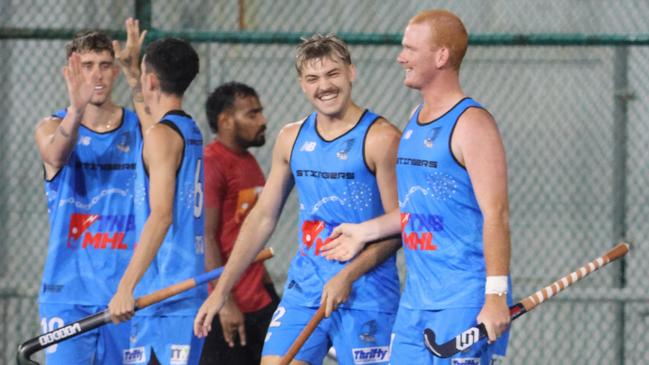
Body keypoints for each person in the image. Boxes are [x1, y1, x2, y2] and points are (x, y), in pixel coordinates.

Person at [193, 34, 402, 365]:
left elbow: (400, 226)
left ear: (351, 72)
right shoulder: (291, 138)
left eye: (333, 74)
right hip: (305, 292)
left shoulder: (382, 138)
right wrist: (221, 291)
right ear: (302, 84)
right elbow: (262, 217)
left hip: (368, 295)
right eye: (313, 78)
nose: (325, 86)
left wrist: (347, 275)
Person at [322, 9, 513, 365]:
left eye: (410, 48)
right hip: (415, 302)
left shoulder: (472, 123)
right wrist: (364, 231)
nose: (401, 57)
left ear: (441, 56)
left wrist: (496, 294)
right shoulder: (414, 121)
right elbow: (414, 211)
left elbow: (497, 214)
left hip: (461, 300)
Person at [33, 27, 146, 364]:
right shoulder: (51, 125)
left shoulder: (138, 126)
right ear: (71, 71)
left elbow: (163, 135)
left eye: (105, 64)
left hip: (126, 292)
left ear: (115, 70)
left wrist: (135, 76)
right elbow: (55, 156)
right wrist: (76, 110)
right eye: (87, 65)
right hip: (67, 295)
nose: (97, 74)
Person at [108, 36, 206, 365]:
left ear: (153, 80)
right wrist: (133, 74)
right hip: (178, 294)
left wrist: (125, 286)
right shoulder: (186, 129)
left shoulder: (161, 137)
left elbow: (161, 216)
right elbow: (153, 125)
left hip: (165, 295)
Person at [199, 82, 280, 365]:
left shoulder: (248, 161)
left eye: (260, 112)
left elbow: (247, 228)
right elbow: (206, 237)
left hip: (260, 298)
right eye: (252, 114)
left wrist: (267, 283)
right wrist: (224, 301)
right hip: (230, 305)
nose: (263, 120)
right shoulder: (211, 163)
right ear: (225, 121)